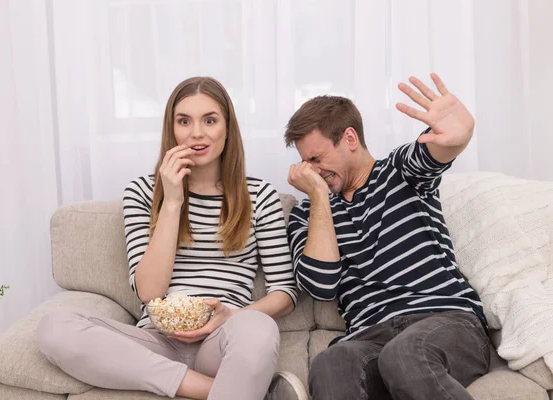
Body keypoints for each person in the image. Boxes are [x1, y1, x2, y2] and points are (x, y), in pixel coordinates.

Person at [37, 77, 307, 400]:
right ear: (172, 129)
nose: (197, 133)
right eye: (184, 121)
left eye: (209, 120)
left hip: (222, 338)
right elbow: (150, 291)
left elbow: (285, 293)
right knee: (53, 327)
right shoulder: (141, 192)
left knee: (260, 328)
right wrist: (173, 201)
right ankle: (218, 390)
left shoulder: (259, 196)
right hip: (156, 341)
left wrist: (232, 316)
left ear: (227, 128)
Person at [284, 73, 490, 400]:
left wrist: (457, 135)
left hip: (444, 321)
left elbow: (435, 150)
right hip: (369, 338)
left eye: (316, 159)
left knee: (405, 353)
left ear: (349, 138)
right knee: (330, 363)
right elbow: (321, 285)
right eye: (304, 161)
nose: (310, 170)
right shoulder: (307, 214)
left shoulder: (399, 171)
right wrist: (320, 199)